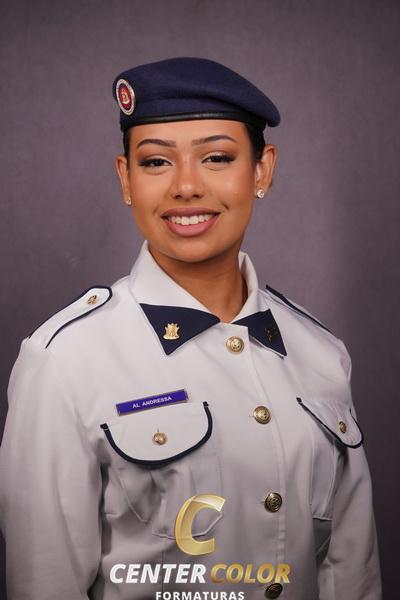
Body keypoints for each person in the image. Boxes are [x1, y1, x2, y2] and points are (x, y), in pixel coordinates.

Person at [0, 57, 382, 600]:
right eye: (155, 161)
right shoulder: (64, 359)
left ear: (262, 170)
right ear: (126, 178)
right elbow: (45, 583)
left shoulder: (320, 353)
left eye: (217, 157)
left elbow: (352, 577)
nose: (185, 186)